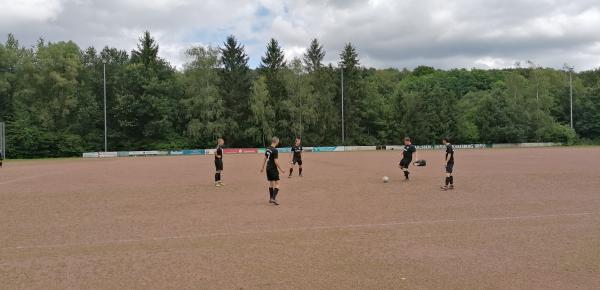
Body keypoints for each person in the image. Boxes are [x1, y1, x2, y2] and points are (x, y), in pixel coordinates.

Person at [261, 137, 286, 205]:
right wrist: (281, 169)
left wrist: (262, 167)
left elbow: (265, 158)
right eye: (278, 142)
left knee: (271, 183)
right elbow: (276, 161)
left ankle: (270, 198)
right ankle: (273, 198)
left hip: (268, 168)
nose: (278, 143)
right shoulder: (275, 150)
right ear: (276, 142)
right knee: (277, 183)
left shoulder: (267, 148)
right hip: (273, 169)